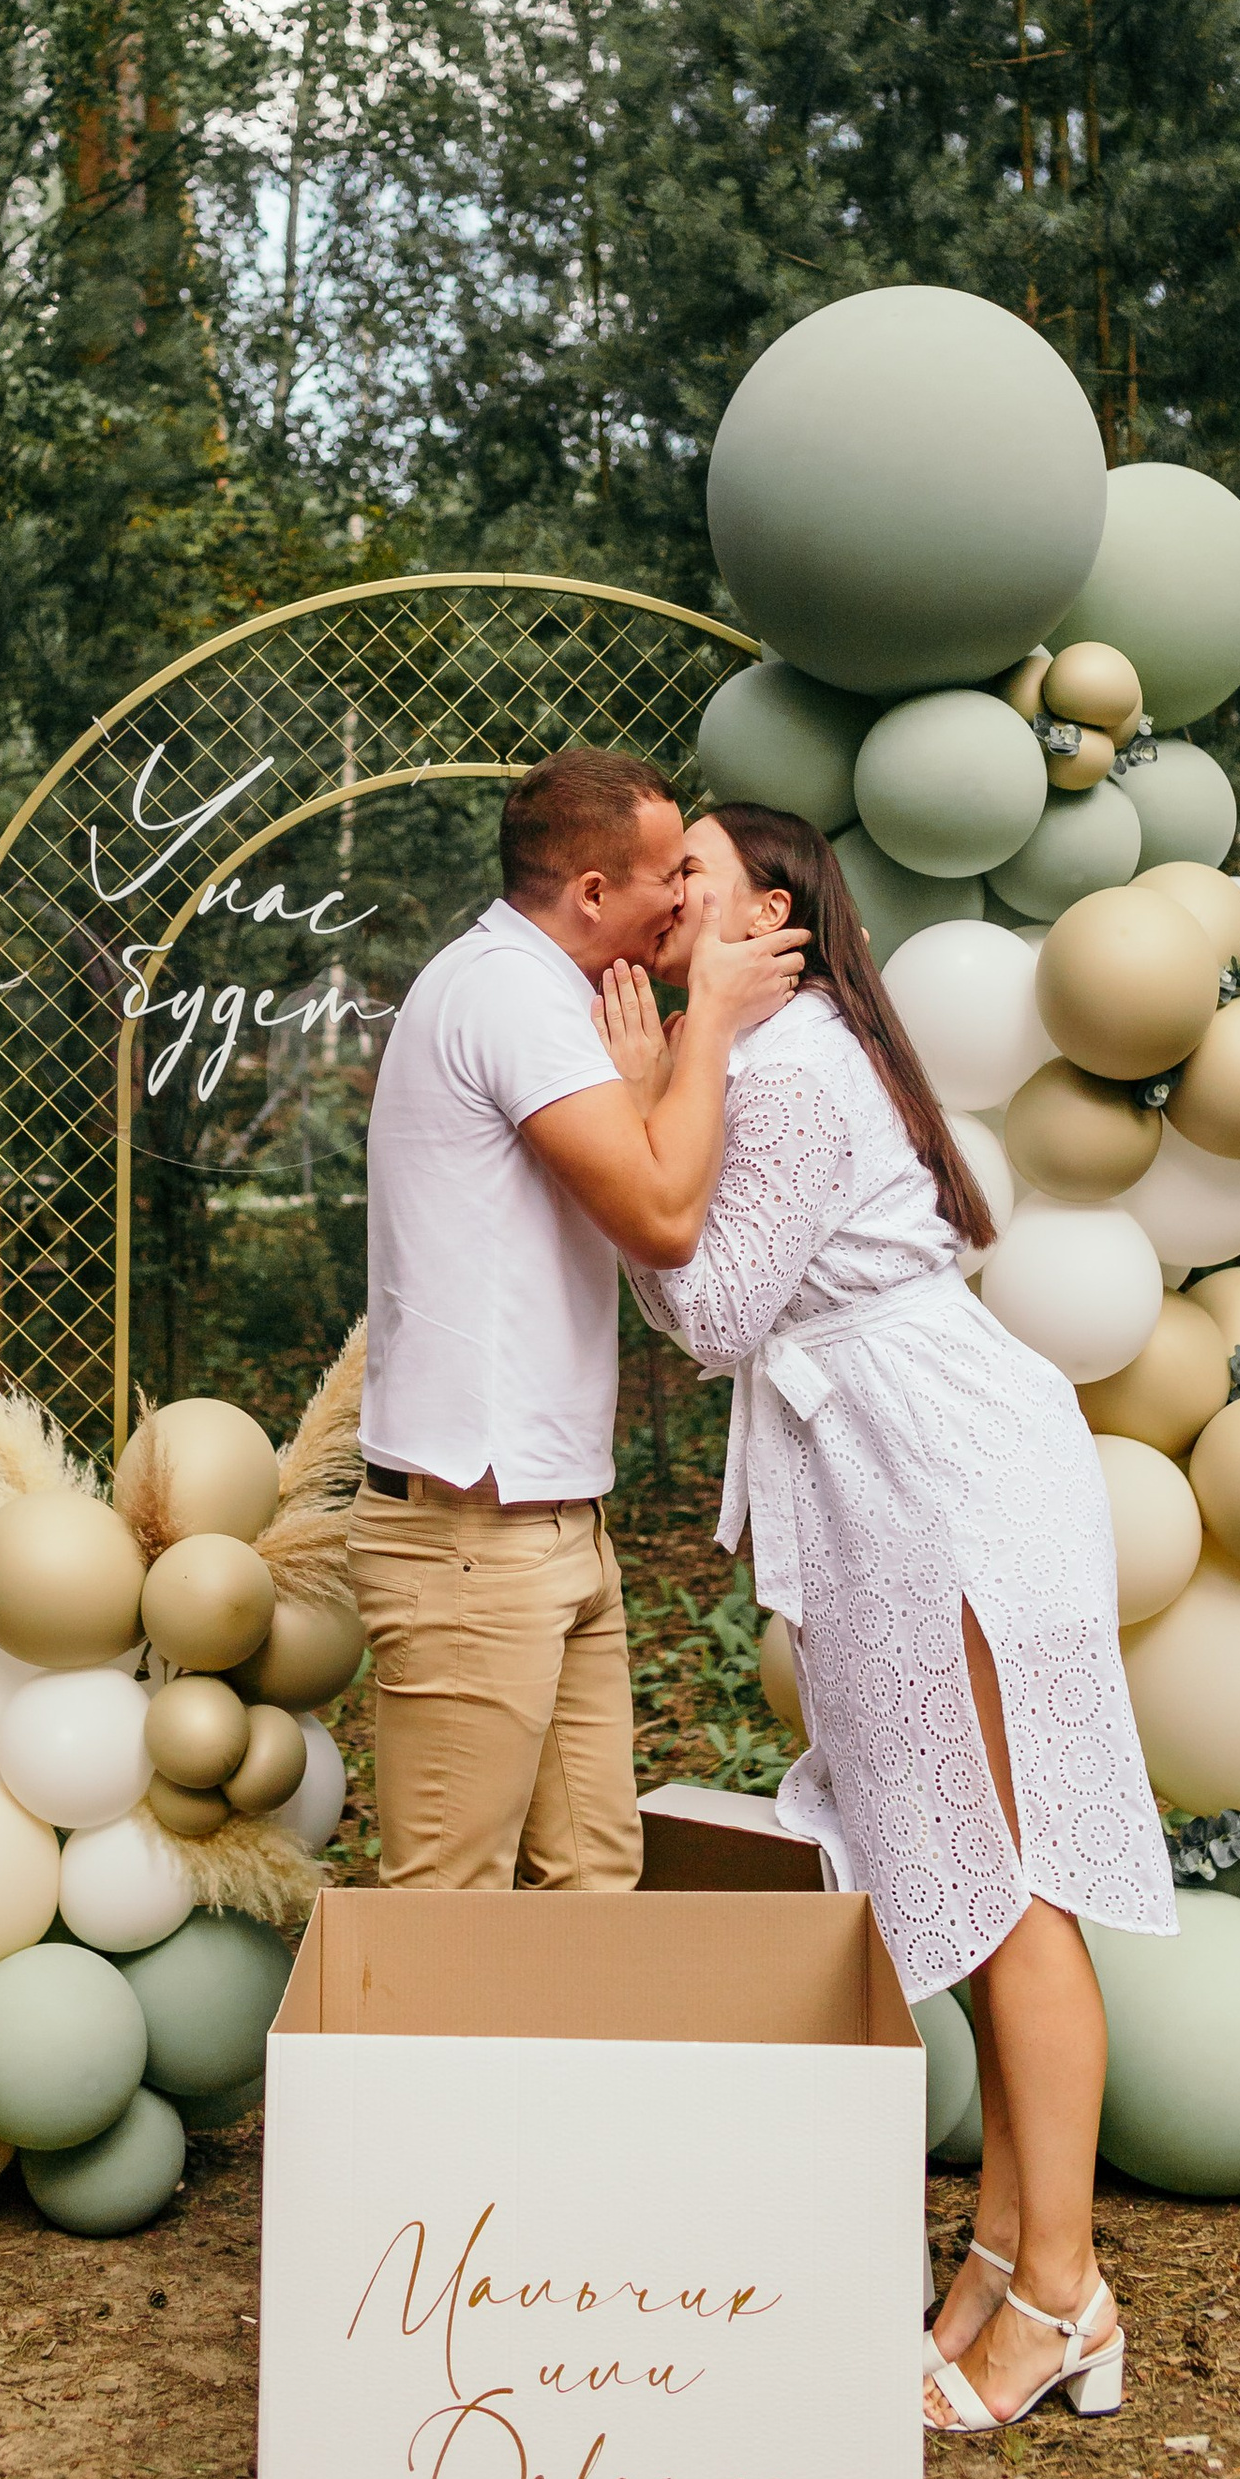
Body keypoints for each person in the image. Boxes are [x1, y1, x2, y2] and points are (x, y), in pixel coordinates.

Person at [604, 800, 1174, 2435]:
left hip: (942, 1478)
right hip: (903, 1462)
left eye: (692, 876)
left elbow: (711, 1311)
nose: (665, 899)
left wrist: (651, 1097)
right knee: (965, 1870)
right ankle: (1002, 2260)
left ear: (771, 916)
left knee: (1003, 1883)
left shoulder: (781, 1070)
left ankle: (1060, 2295)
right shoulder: (793, 1056)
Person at [353, 746, 804, 1894]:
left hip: (551, 1521)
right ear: (595, 893)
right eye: (668, 874)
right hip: (473, 1538)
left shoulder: (546, 994)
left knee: (594, 1885)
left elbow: (636, 1177)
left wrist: (661, 1071)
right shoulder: (509, 994)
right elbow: (660, 1218)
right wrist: (704, 1026)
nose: (681, 899)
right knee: (444, 1913)